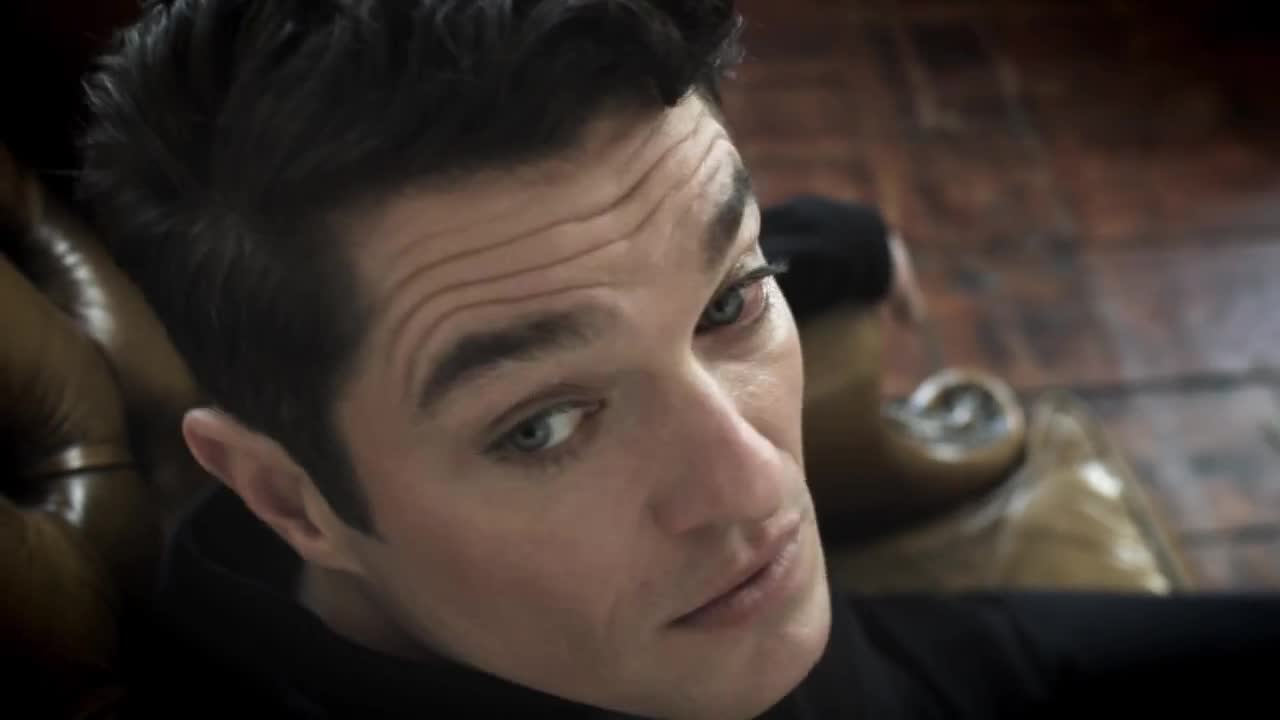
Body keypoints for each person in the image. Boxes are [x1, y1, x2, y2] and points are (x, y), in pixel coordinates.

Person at [78, 1, 1277, 718]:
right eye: (541, 426)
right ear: (290, 498)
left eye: (728, 303)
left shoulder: (447, 328)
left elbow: (606, 259)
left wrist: (819, 249)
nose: (756, 486)